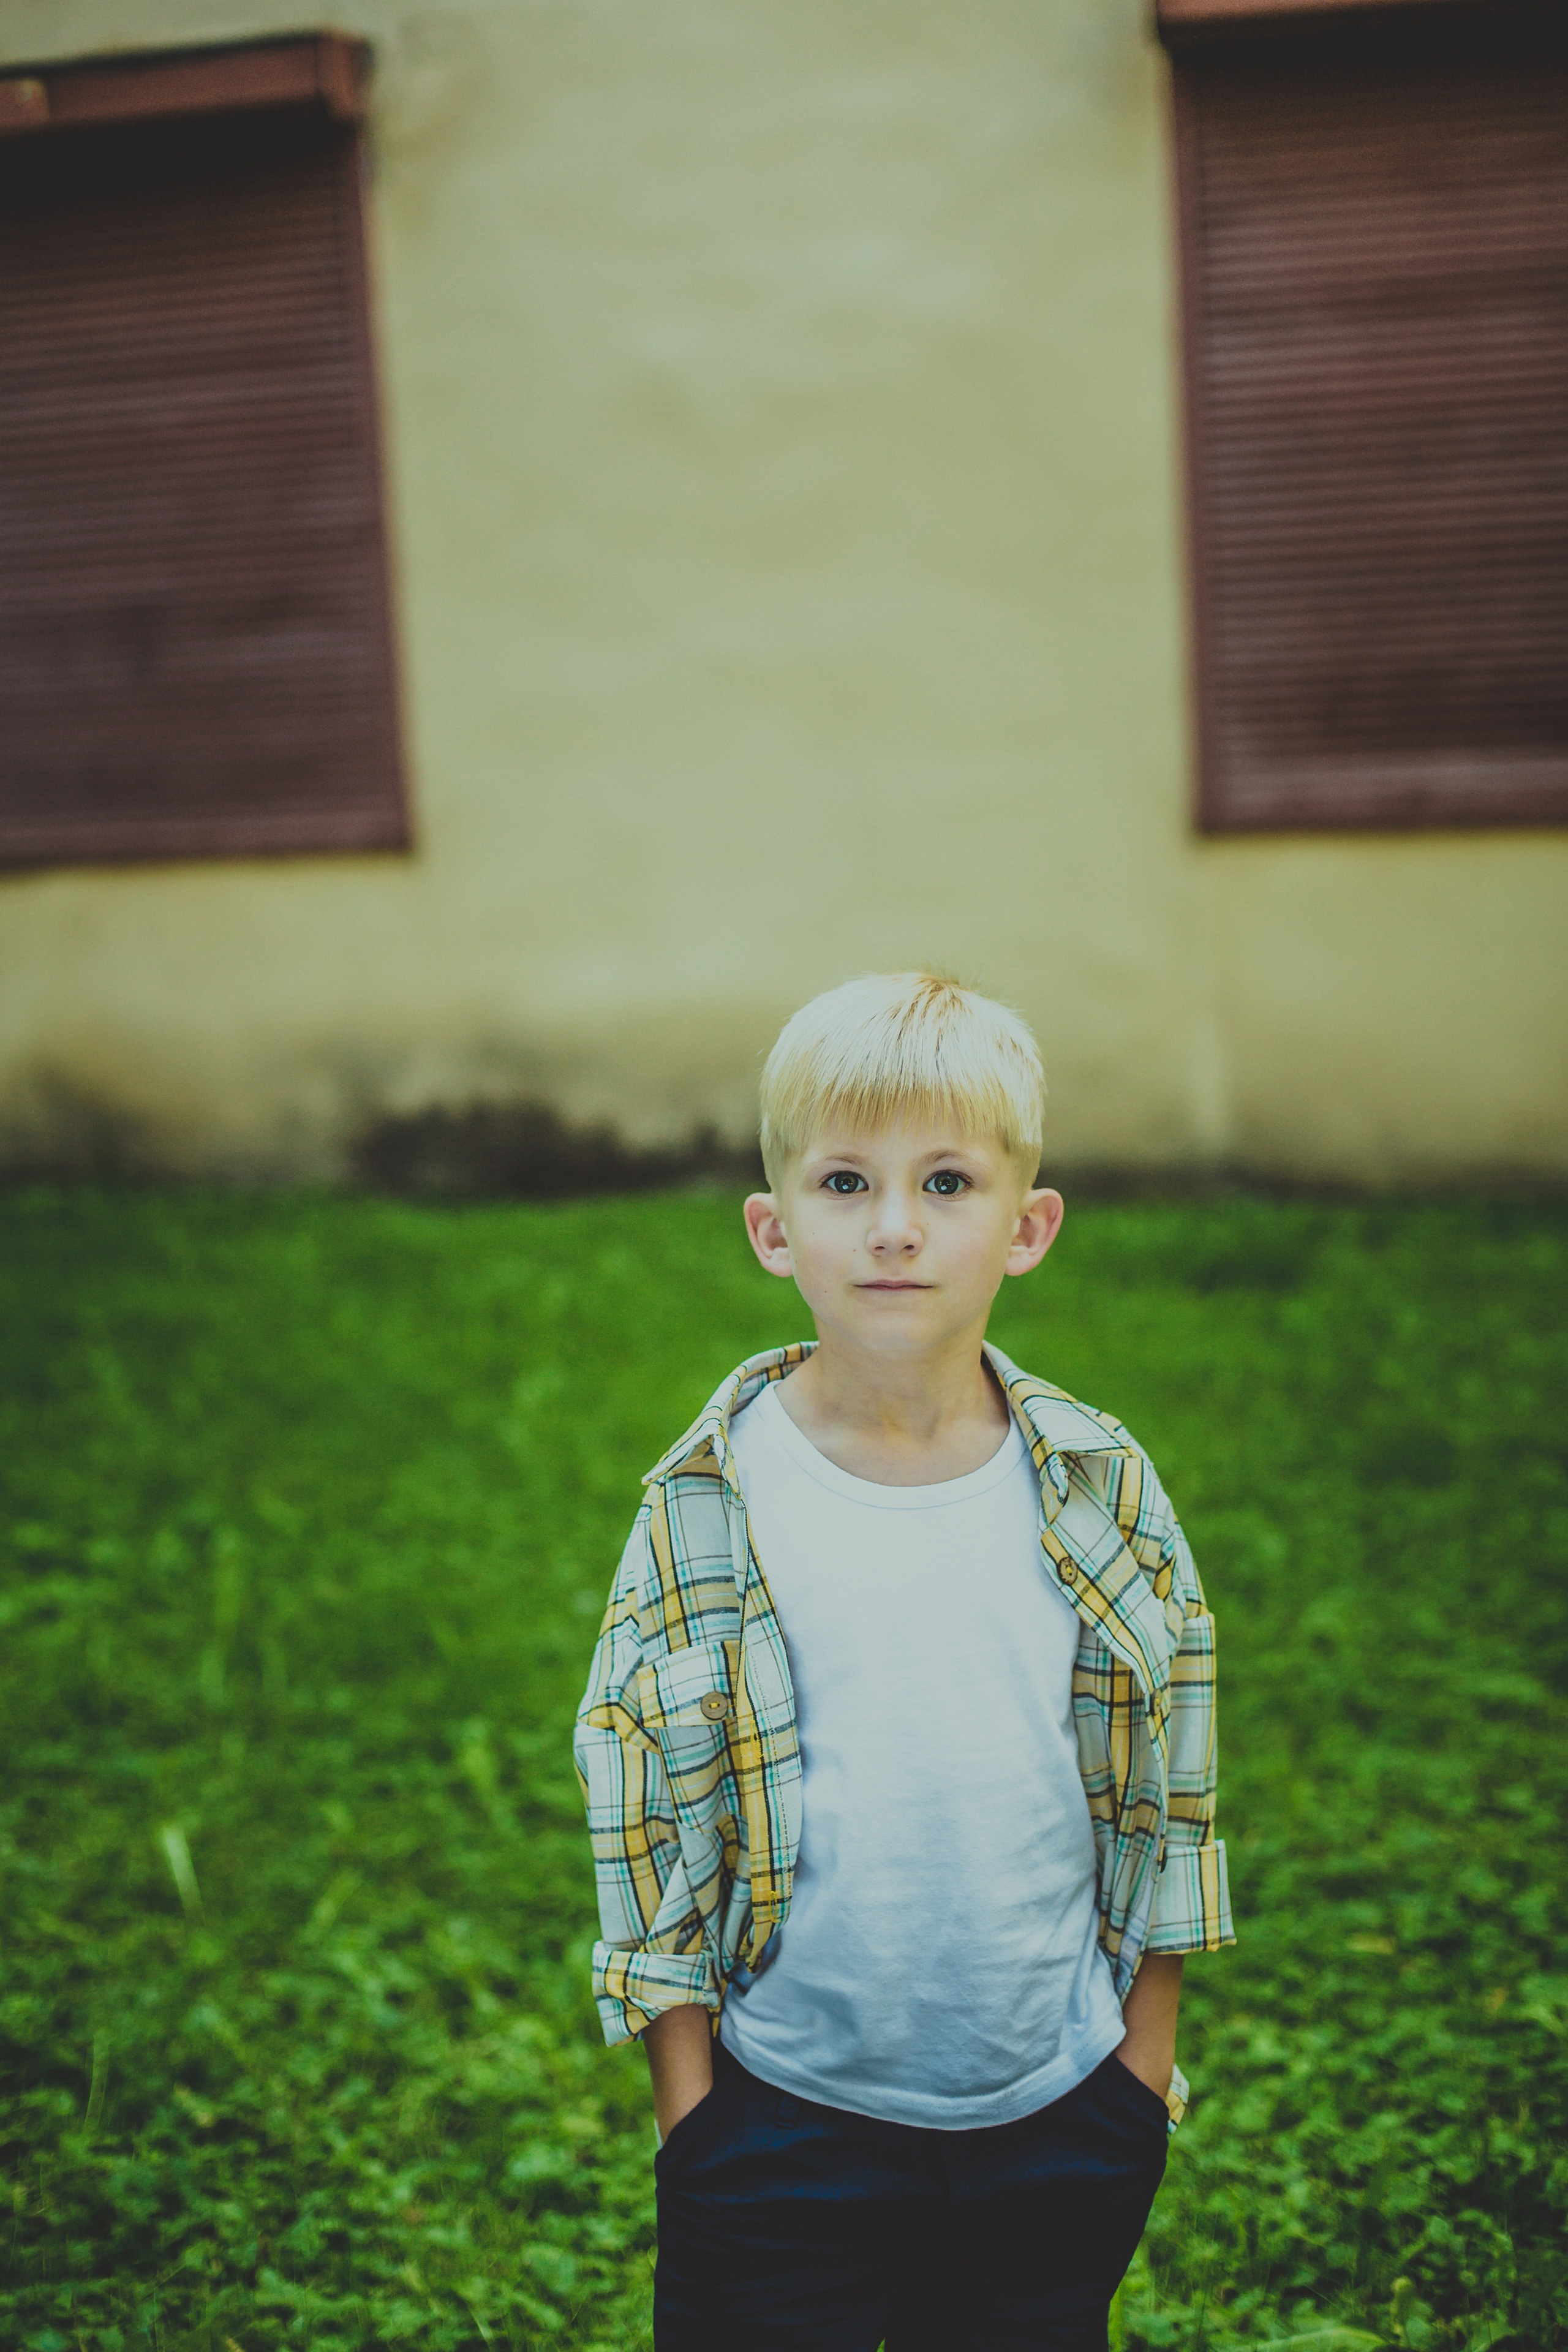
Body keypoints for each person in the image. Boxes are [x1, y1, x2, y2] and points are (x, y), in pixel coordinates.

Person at [574, 972, 1234, 2350]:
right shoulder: (709, 1505)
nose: (892, 1227)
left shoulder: (1099, 1484)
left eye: (945, 1182)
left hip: (1058, 2109)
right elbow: (643, 1801)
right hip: (781, 2118)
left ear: (1027, 1226)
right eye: (842, 1183)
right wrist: (691, 2109)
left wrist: (1139, 2066)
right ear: (772, 1229)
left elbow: (1171, 1773)